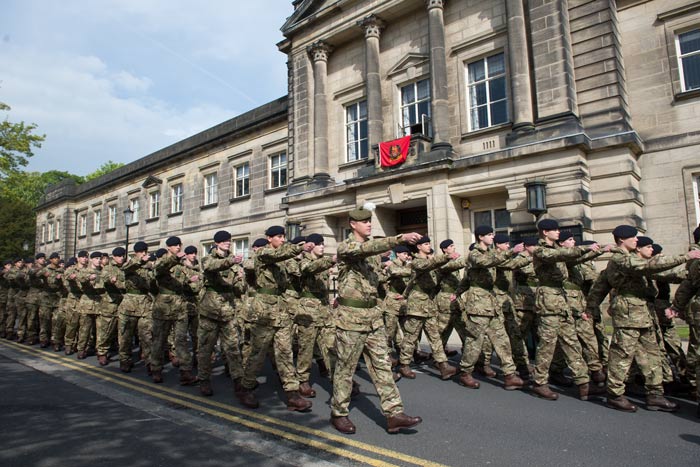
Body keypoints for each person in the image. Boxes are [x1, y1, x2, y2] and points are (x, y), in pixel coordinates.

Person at [330, 203, 423, 435]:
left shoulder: (370, 255)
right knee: (346, 368)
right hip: (351, 319)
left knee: (382, 365)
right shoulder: (347, 247)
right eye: (365, 221)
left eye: (371, 221)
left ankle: (394, 414)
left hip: (373, 317)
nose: (370, 224)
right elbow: (366, 249)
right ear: (353, 224)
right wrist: (399, 238)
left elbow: (376, 282)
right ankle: (339, 412)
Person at [605, 225, 700, 412]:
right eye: (633, 237)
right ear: (622, 240)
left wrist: (688, 274)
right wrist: (684, 257)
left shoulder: (633, 258)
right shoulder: (619, 258)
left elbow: (660, 273)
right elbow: (646, 266)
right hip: (628, 313)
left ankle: (655, 394)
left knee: (652, 354)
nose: (636, 240)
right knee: (622, 353)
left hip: (644, 313)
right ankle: (615, 393)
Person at [237, 226, 313, 411]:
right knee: (258, 353)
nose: (282, 239)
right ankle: (246, 388)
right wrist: (299, 247)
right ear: (269, 238)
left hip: (281, 309)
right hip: (264, 311)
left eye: (283, 236)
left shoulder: (284, 260)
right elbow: (276, 256)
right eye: (279, 237)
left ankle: (292, 394)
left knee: (285, 353)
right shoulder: (263, 253)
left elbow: (298, 271)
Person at [530, 219, 605, 401]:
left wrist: (599, 250)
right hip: (548, 302)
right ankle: (540, 383)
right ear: (545, 232)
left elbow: (574, 257)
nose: (557, 232)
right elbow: (558, 256)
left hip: (562, 302)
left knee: (572, 343)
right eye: (554, 230)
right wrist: (586, 248)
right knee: (547, 345)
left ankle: (583, 384)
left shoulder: (557, 250)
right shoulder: (540, 250)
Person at [456, 226, 525, 391]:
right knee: (474, 341)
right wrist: (511, 251)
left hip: (492, 304)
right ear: (480, 237)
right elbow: (483, 262)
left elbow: (506, 263)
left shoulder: (491, 254)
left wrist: (528, 256)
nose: (492, 237)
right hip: (478, 305)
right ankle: (465, 373)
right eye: (489, 234)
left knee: (502, 340)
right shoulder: (475, 253)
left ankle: (510, 375)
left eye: (493, 234)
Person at [397, 236, 459, 380]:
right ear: (418, 247)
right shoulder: (417, 261)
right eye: (425, 244)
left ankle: (443, 365)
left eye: (429, 243)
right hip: (417, 304)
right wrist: (446, 257)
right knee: (411, 336)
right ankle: (404, 365)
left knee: (435, 335)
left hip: (429, 303)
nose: (428, 245)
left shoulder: (431, 261)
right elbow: (427, 266)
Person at [197, 231, 245, 397]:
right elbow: (212, 266)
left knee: (233, 348)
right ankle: (204, 379)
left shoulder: (235, 263)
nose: (227, 243)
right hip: (210, 311)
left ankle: (239, 382)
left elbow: (239, 289)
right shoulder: (208, 258)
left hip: (228, 311)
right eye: (223, 241)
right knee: (206, 348)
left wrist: (240, 279)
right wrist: (231, 261)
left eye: (228, 240)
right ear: (216, 243)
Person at [151, 236, 197, 385]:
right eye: (174, 245)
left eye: (179, 245)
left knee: (181, 341)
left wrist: (194, 279)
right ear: (169, 247)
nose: (178, 247)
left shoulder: (181, 265)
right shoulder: (162, 261)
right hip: (163, 306)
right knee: (159, 340)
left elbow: (189, 278)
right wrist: (174, 259)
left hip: (179, 306)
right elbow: (160, 269)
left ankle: (185, 371)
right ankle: (156, 369)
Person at [296, 233, 337, 397]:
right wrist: (331, 260)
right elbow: (308, 269)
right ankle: (303, 380)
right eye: (319, 244)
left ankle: (337, 378)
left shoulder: (323, 264)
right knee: (306, 348)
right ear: (311, 245)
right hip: (308, 312)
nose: (322, 247)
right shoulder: (302, 262)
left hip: (325, 311)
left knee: (331, 346)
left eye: (323, 244)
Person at [117, 242, 155, 373]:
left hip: (145, 304)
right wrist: (140, 260)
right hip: (129, 305)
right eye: (141, 251)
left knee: (147, 336)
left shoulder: (148, 266)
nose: (144, 253)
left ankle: (150, 363)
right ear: (136, 253)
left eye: (145, 251)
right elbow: (126, 268)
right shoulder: (129, 264)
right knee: (125, 336)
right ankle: (125, 360)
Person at [97, 247, 125, 365]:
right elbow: (105, 278)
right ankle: (102, 352)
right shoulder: (108, 268)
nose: (121, 258)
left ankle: (124, 356)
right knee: (106, 330)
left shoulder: (126, 268)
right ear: (114, 257)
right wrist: (111, 280)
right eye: (118, 256)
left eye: (123, 255)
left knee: (123, 331)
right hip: (110, 303)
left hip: (123, 302)